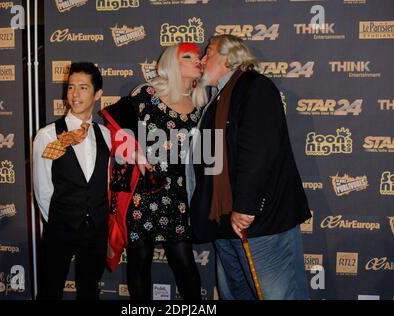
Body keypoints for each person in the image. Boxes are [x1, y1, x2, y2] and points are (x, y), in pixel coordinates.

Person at [188, 35, 311, 300]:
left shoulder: (256, 88)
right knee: (236, 294)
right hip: (224, 224)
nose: (202, 59)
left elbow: (259, 152)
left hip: (258, 222)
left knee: (278, 295)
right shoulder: (216, 100)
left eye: (208, 53)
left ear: (229, 57)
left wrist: (245, 207)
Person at [99, 43, 205, 300]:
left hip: (179, 197)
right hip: (143, 193)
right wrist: (134, 152)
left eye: (199, 56)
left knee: (184, 261)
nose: (198, 60)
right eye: (188, 57)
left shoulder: (201, 107)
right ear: (172, 64)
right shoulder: (146, 95)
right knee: (140, 258)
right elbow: (115, 126)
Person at [33, 62, 111, 300]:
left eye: (83, 88)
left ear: (98, 94)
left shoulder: (105, 134)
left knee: (90, 290)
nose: (75, 95)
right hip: (60, 228)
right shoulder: (47, 135)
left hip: (96, 229)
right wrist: (61, 218)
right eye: (70, 87)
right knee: (50, 290)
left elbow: (104, 180)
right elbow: (42, 187)